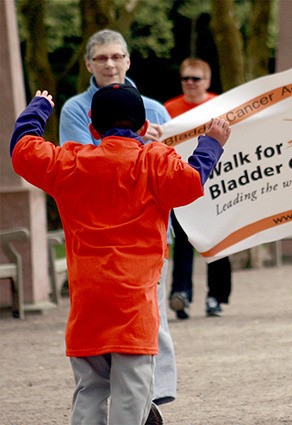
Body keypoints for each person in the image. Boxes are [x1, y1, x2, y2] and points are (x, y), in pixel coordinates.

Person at [10, 85, 230, 424]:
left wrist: (38, 109)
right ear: (143, 127)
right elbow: (191, 183)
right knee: (132, 392)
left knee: (90, 388)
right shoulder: (154, 159)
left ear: (92, 127)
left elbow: (22, 150)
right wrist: (211, 143)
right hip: (134, 302)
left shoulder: (71, 162)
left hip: (88, 299)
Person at [58, 29, 175, 423]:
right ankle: (136, 408)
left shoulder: (156, 108)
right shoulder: (77, 109)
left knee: (151, 325)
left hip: (151, 239)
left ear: (128, 60)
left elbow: (177, 168)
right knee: (111, 343)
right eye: (102, 58)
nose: (110, 64)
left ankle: (150, 406)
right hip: (96, 239)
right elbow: (90, 163)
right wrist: (144, 145)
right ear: (89, 64)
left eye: (117, 57)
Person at [164, 58, 232, 319]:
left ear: (207, 81)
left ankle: (216, 296)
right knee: (183, 240)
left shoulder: (222, 107)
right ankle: (181, 294)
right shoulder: (169, 109)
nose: (190, 83)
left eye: (196, 78)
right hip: (184, 182)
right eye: (186, 79)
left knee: (218, 240)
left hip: (219, 184)